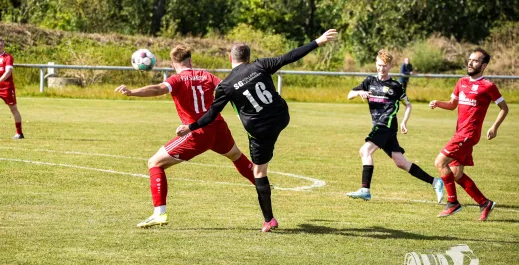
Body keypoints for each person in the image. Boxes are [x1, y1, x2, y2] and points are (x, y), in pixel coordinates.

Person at [176, 29, 339, 232]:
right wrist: (318, 41)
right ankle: (268, 216)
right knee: (269, 127)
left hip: (260, 130)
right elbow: (290, 56)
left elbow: (210, 115)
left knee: (259, 171)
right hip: (281, 117)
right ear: (248, 57)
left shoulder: (225, 86)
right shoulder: (260, 65)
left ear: (230, 58)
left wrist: (189, 127)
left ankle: (269, 220)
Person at [115, 44, 257, 228]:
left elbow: (158, 89)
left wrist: (132, 92)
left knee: (154, 163)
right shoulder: (206, 75)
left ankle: (159, 213)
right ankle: (262, 183)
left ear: (174, 63)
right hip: (218, 128)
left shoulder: (176, 80)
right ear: (190, 60)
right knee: (236, 156)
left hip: (196, 132)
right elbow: (227, 87)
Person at [346, 50, 444, 203]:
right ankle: (435, 182)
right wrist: (360, 93)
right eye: (379, 65)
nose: (381, 69)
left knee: (365, 150)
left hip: (386, 125)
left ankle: (365, 190)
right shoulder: (369, 81)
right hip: (380, 127)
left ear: (390, 65)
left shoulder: (396, 86)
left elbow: (408, 105)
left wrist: (404, 122)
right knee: (401, 162)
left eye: (384, 66)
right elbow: (349, 94)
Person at [429, 48, 509, 221]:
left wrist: (494, 127)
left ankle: (453, 203)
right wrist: (438, 103)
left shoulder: (488, 86)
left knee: (440, 162)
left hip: (469, 134)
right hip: (460, 133)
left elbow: (504, 108)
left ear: (484, 65)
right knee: (456, 173)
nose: (470, 63)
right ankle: (484, 203)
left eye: (476, 60)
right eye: (470, 59)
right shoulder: (461, 82)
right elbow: (452, 104)